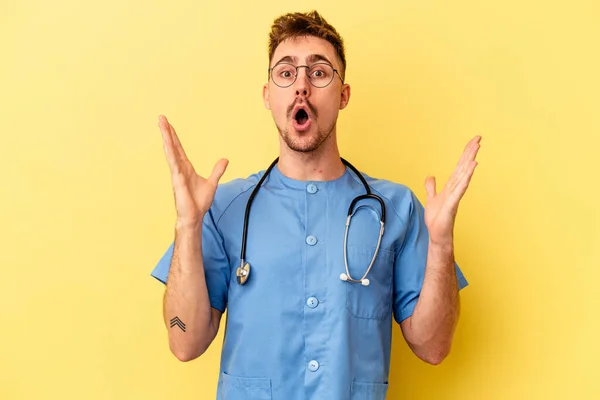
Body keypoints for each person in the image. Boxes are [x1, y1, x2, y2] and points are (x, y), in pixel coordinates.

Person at [150, 10, 481, 400]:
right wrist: (188, 224)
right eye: (286, 73)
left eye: (320, 72)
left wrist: (440, 245)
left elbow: (433, 347)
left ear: (343, 95)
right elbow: (184, 341)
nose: (301, 86)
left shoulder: (396, 209)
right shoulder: (223, 208)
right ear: (268, 95)